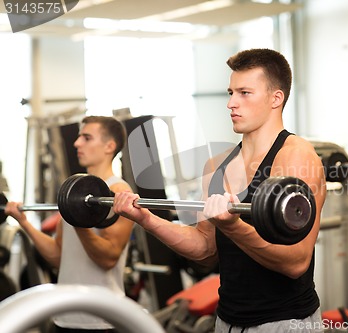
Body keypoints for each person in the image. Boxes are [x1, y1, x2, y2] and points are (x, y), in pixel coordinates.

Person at [113, 48, 327, 332]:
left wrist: (233, 226)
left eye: (244, 93)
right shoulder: (215, 166)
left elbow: (296, 262)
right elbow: (205, 248)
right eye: (230, 93)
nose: (231, 104)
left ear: (276, 98)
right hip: (226, 320)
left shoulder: (296, 157)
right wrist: (146, 219)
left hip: (284, 321)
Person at [5, 116, 135, 333]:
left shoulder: (119, 193)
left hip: (100, 319)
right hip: (65, 315)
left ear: (109, 146)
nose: (77, 144)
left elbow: (108, 258)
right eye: (78, 138)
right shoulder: (75, 193)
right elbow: (58, 255)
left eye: (86, 138)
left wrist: (78, 221)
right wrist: (24, 223)